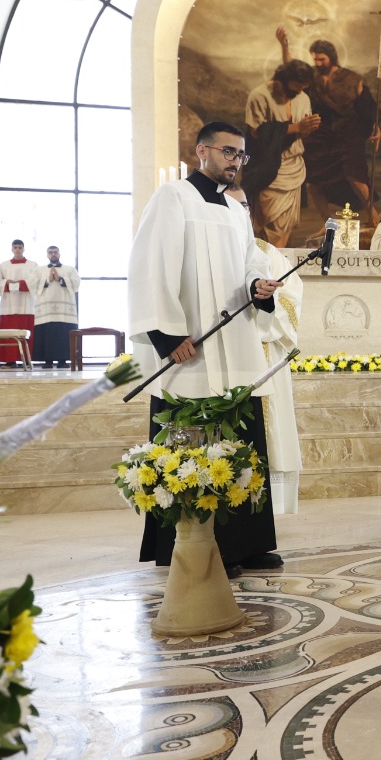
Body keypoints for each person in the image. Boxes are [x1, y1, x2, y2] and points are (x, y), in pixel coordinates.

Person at [128, 120, 285, 576]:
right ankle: (193, 547)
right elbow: (150, 266)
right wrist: (166, 335)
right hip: (190, 352)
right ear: (202, 151)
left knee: (240, 444)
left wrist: (258, 285)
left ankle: (248, 543)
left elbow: (250, 263)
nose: (235, 161)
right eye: (227, 152)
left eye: (241, 155)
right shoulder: (173, 198)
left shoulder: (237, 210)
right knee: (193, 448)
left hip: (233, 352)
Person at [225, 185, 305, 514]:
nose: (240, 212)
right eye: (231, 205)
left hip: (264, 355)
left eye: (244, 205)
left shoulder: (269, 254)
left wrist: (266, 302)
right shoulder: (210, 255)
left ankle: (263, 512)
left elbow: (292, 299)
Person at [278, 28, 379, 222]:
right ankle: (327, 222)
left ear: (331, 57)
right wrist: (284, 46)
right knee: (313, 183)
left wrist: (376, 127)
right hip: (320, 134)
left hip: (347, 133)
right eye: (315, 59)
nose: (318, 63)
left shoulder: (351, 78)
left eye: (321, 59)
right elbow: (290, 67)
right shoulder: (311, 76)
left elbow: (367, 107)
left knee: (355, 178)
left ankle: (374, 216)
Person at [243, 59, 320, 247]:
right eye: (292, 90)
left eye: (301, 89)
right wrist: (295, 127)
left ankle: (278, 268)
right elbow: (256, 134)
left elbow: (302, 133)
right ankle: (266, 267)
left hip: (294, 168)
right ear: (280, 81)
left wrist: (308, 128)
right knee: (268, 222)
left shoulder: (302, 97)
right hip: (268, 169)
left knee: (285, 226)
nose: (296, 94)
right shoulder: (260, 96)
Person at [0, 239, 42, 366]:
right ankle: (9, 360)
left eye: (20, 247)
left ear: (24, 249)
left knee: (26, 333)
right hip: (8, 305)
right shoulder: (4, 265)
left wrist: (19, 284)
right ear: (12, 249)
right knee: (7, 333)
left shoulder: (33, 265)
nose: (17, 250)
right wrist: (6, 283)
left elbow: (37, 281)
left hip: (26, 305)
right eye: (15, 247)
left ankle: (27, 359)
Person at [33, 246, 80, 369]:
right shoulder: (39, 270)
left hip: (64, 310)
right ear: (47, 255)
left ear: (59, 254)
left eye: (55, 252)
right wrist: (47, 280)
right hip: (46, 308)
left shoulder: (70, 269)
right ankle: (47, 361)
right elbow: (32, 285)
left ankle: (62, 360)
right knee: (46, 333)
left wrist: (60, 279)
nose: (53, 254)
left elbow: (76, 284)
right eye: (50, 252)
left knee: (63, 333)